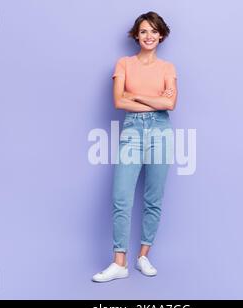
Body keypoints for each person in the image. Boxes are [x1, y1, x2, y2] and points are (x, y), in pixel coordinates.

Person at [92, 11, 178, 282]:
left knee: (153, 198)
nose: (149, 36)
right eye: (143, 31)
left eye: (154, 31)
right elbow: (119, 101)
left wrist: (136, 94)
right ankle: (119, 262)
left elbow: (170, 105)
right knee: (121, 196)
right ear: (136, 35)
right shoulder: (124, 64)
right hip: (132, 131)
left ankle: (143, 256)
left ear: (161, 35)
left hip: (161, 132)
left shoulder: (168, 68)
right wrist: (153, 98)